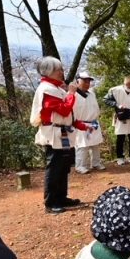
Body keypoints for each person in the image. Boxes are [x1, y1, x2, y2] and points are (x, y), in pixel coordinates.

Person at [29, 56, 88, 214]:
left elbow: (69, 113)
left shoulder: (57, 88)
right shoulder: (47, 89)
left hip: (63, 132)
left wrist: (79, 124)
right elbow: (63, 110)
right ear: (48, 72)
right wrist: (71, 93)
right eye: (58, 70)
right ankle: (51, 202)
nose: (62, 72)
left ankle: (61, 197)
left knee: (63, 166)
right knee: (54, 167)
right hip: (54, 133)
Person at [104, 75, 130, 166]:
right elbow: (106, 100)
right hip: (121, 116)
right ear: (124, 84)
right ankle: (120, 158)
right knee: (120, 137)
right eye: (129, 86)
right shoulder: (115, 90)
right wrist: (117, 105)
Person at [72, 70, 105, 173]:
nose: (87, 83)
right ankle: (80, 166)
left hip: (93, 122)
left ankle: (96, 163)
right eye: (84, 81)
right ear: (77, 81)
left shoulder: (92, 94)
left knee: (95, 144)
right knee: (82, 145)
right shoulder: (74, 95)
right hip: (81, 123)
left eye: (88, 81)